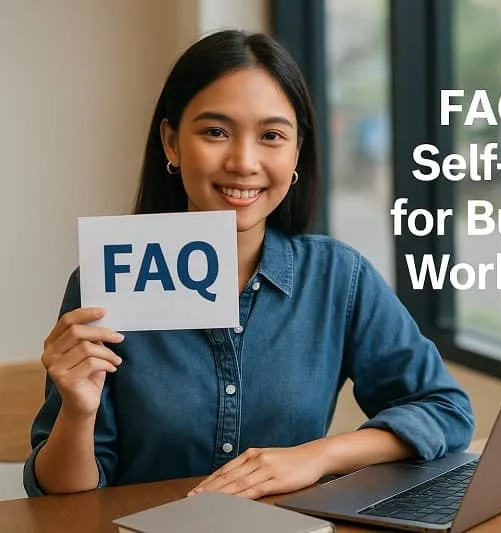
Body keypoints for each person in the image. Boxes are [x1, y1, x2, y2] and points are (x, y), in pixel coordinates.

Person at [23, 30, 475, 500]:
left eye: (272, 136)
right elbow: (60, 499)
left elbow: (444, 409)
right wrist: (77, 411)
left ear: (297, 151)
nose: (244, 161)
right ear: (171, 143)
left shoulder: (338, 278)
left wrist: (318, 456)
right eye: (215, 132)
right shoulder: (105, 282)